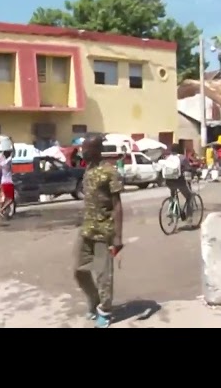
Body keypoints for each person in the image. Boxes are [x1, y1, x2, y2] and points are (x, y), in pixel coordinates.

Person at [74, 136, 124, 328]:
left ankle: (105, 310)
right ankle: (94, 300)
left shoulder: (109, 172)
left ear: (96, 149)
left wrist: (118, 237)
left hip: (105, 231)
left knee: (104, 275)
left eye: (85, 148)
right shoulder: (89, 169)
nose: (82, 151)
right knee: (79, 271)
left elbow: (117, 205)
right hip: (87, 229)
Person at [160, 144, 194, 220]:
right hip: (179, 181)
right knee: (189, 196)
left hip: (168, 181)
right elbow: (188, 168)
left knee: (173, 195)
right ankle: (189, 217)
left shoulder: (168, 158)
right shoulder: (182, 158)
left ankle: (173, 210)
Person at [0, 149, 15, 216]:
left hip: (3, 182)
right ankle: (1, 210)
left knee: (5, 197)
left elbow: (2, 155)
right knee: (11, 199)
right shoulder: (8, 161)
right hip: (9, 182)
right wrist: (12, 143)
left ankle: (2, 209)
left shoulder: (2, 162)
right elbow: (13, 154)